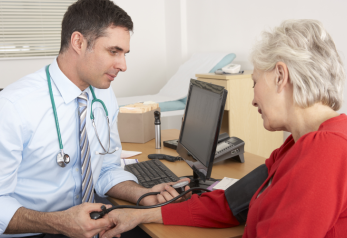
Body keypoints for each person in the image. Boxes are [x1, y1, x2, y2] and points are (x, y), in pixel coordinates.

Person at [99, 19, 347, 238]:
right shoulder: (296, 145)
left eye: (254, 82)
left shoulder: (327, 149)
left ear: (280, 76)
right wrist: (142, 215)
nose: (253, 99)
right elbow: (232, 203)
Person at [0, 0, 187, 237]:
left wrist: (143, 194)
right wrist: (59, 222)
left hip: (89, 220)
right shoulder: (12, 107)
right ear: (78, 42)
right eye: (113, 51)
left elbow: (106, 167)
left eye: (124, 53)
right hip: (34, 230)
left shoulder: (104, 95)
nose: (123, 65)